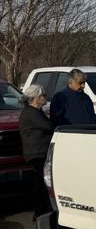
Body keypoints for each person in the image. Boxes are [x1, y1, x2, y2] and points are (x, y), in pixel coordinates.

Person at [18, 84, 54, 219]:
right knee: (41, 182)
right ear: (36, 98)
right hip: (36, 153)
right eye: (43, 95)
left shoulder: (37, 111)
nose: (45, 97)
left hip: (40, 152)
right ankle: (40, 211)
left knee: (41, 182)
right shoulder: (30, 112)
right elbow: (48, 125)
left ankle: (42, 209)